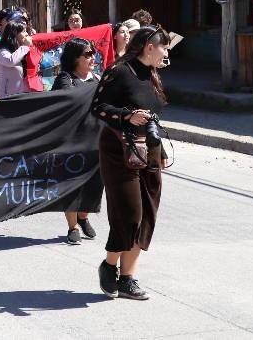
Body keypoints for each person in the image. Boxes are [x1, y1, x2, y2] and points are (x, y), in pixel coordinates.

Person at [91, 26, 171, 301]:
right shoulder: (120, 71)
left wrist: (158, 149)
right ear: (149, 46)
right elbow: (98, 107)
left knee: (147, 214)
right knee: (130, 213)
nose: (167, 52)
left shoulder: (152, 75)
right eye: (164, 47)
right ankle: (109, 265)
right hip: (118, 149)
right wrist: (127, 116)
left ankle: (127, 278)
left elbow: (154, 116)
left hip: (147, 149)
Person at [52, 38, 103, 245]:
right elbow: (64, 102)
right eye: (87, 54)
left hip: (95, 141)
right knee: (72, 185)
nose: (92, 58)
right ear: (75, 58)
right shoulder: (66, 78)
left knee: (93, 184)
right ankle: (72, 227)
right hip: (71, 142)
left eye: (93, 54)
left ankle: (83, 217)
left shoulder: (97, 79)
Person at [0, 19, 39, 97]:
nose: (26, 34)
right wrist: (25, 46)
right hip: (7, 98)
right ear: (14, 34)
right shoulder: (2, 51)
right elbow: (11, 61)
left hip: (22, 96)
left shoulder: (21, 51)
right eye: (23, 31)